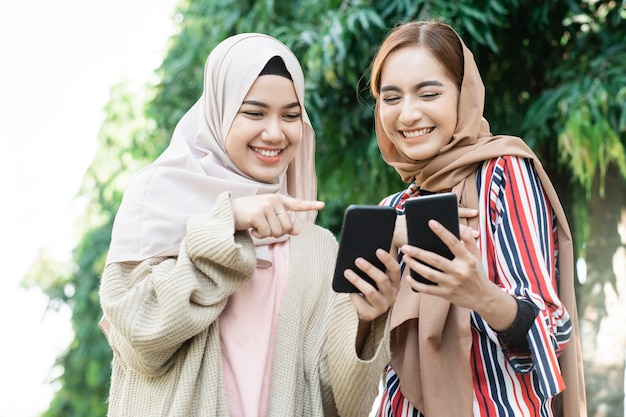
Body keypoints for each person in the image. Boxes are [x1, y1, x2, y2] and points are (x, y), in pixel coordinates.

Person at [99, 33, 401, 417]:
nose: (275, 133)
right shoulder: (156, 199)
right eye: (254, 113)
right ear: (220, 112)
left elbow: (336, 403)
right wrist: (228, 224)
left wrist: (365, 320)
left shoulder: (316, 244)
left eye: (291, 115)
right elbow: (140, 338)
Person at [368, 21, 586, 416]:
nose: (408, 114)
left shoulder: (502, 174)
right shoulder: (390, 209)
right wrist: (371, 316)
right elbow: (376, 369)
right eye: (391, 98)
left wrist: (480, 295)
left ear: (462, 96)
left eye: (429, 93)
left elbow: (553, 333)